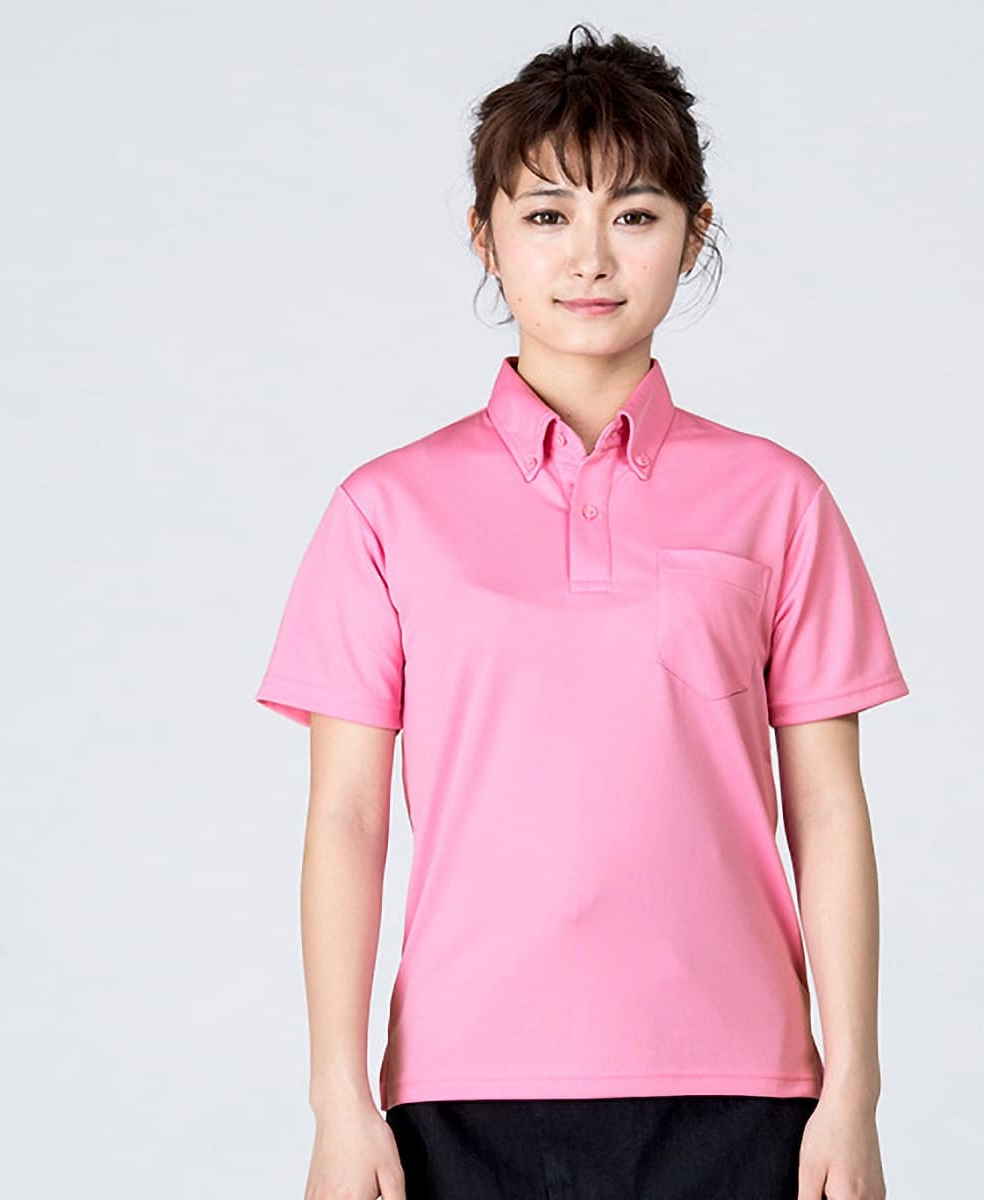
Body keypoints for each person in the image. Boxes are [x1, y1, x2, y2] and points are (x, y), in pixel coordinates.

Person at [255, 22, 908, 1200]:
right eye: (549, 214)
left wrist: (851, 1094)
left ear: (694, 235)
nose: (592, 258)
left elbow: (828, 809)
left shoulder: (778, 500)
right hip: (461, 1092)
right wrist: (338, 1102)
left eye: (637, 214)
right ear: (487, 237)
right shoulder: (386, 510)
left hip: (741, 1088)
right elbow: (346, 818)